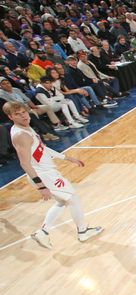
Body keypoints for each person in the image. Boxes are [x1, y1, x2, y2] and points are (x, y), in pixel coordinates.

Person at [5, 101, 103, 248]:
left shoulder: (26, 128)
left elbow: (42, 149)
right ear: (10, 117)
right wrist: (41, 186)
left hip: (47, 173)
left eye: (24, 112)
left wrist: (68, 158)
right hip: (44, 175)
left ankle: (43, 232)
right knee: (73, 199)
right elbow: (24, 163)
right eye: (17, 114)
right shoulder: (21, 135)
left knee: (63, 201)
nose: (23, 116)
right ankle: (82, 232)